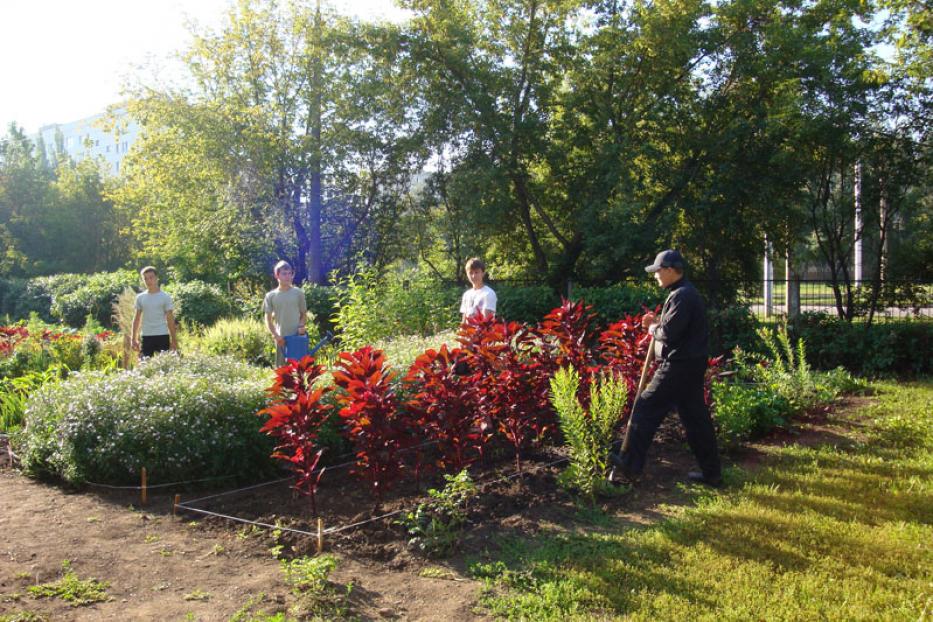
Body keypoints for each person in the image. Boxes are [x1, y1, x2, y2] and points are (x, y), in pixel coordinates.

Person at [611, 249, 723, 487]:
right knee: (695, 420)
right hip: (690, 364)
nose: (655, 276)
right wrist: (658, 323)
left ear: (671, 270)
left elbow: (669, 334)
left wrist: (652, 327)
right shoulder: (684, 293)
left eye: (658, 271)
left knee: (646, 405)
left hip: (679, 365)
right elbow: (675, 326)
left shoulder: (682, 295)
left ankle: (631, 464)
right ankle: (712, 473)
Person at [263, 260, 309, 366]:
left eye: (290, 273)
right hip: (281, 338)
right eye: (284, 274)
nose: (288, 276)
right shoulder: (270, 296)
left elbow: (303, 314)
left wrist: (301, 326)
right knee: (282, 370)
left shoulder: (298, 293)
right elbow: (268, 319)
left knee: (298, 370)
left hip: (297, 338)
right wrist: (276, 335)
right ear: (277, 275)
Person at [131, 266, 177, 358]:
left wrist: (174, 340)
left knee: (165, 366)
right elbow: (136, 319)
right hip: (146, 336)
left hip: (162, 335)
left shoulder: (165, 297)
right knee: (144, 366)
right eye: (145, 278)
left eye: (151, 277)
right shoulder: (140, 297)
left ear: (156, 278)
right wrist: (133, 339)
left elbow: (170, 320)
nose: (148, 281)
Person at [460, 257, 497, 323]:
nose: (473, 276)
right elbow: (464, 320)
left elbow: (486, 321)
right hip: (468, 332)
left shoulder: (488, 293)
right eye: (470, 273)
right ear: (467, 275)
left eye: (476, 272)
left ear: (483, 273)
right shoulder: (466, 294)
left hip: (482, 332)